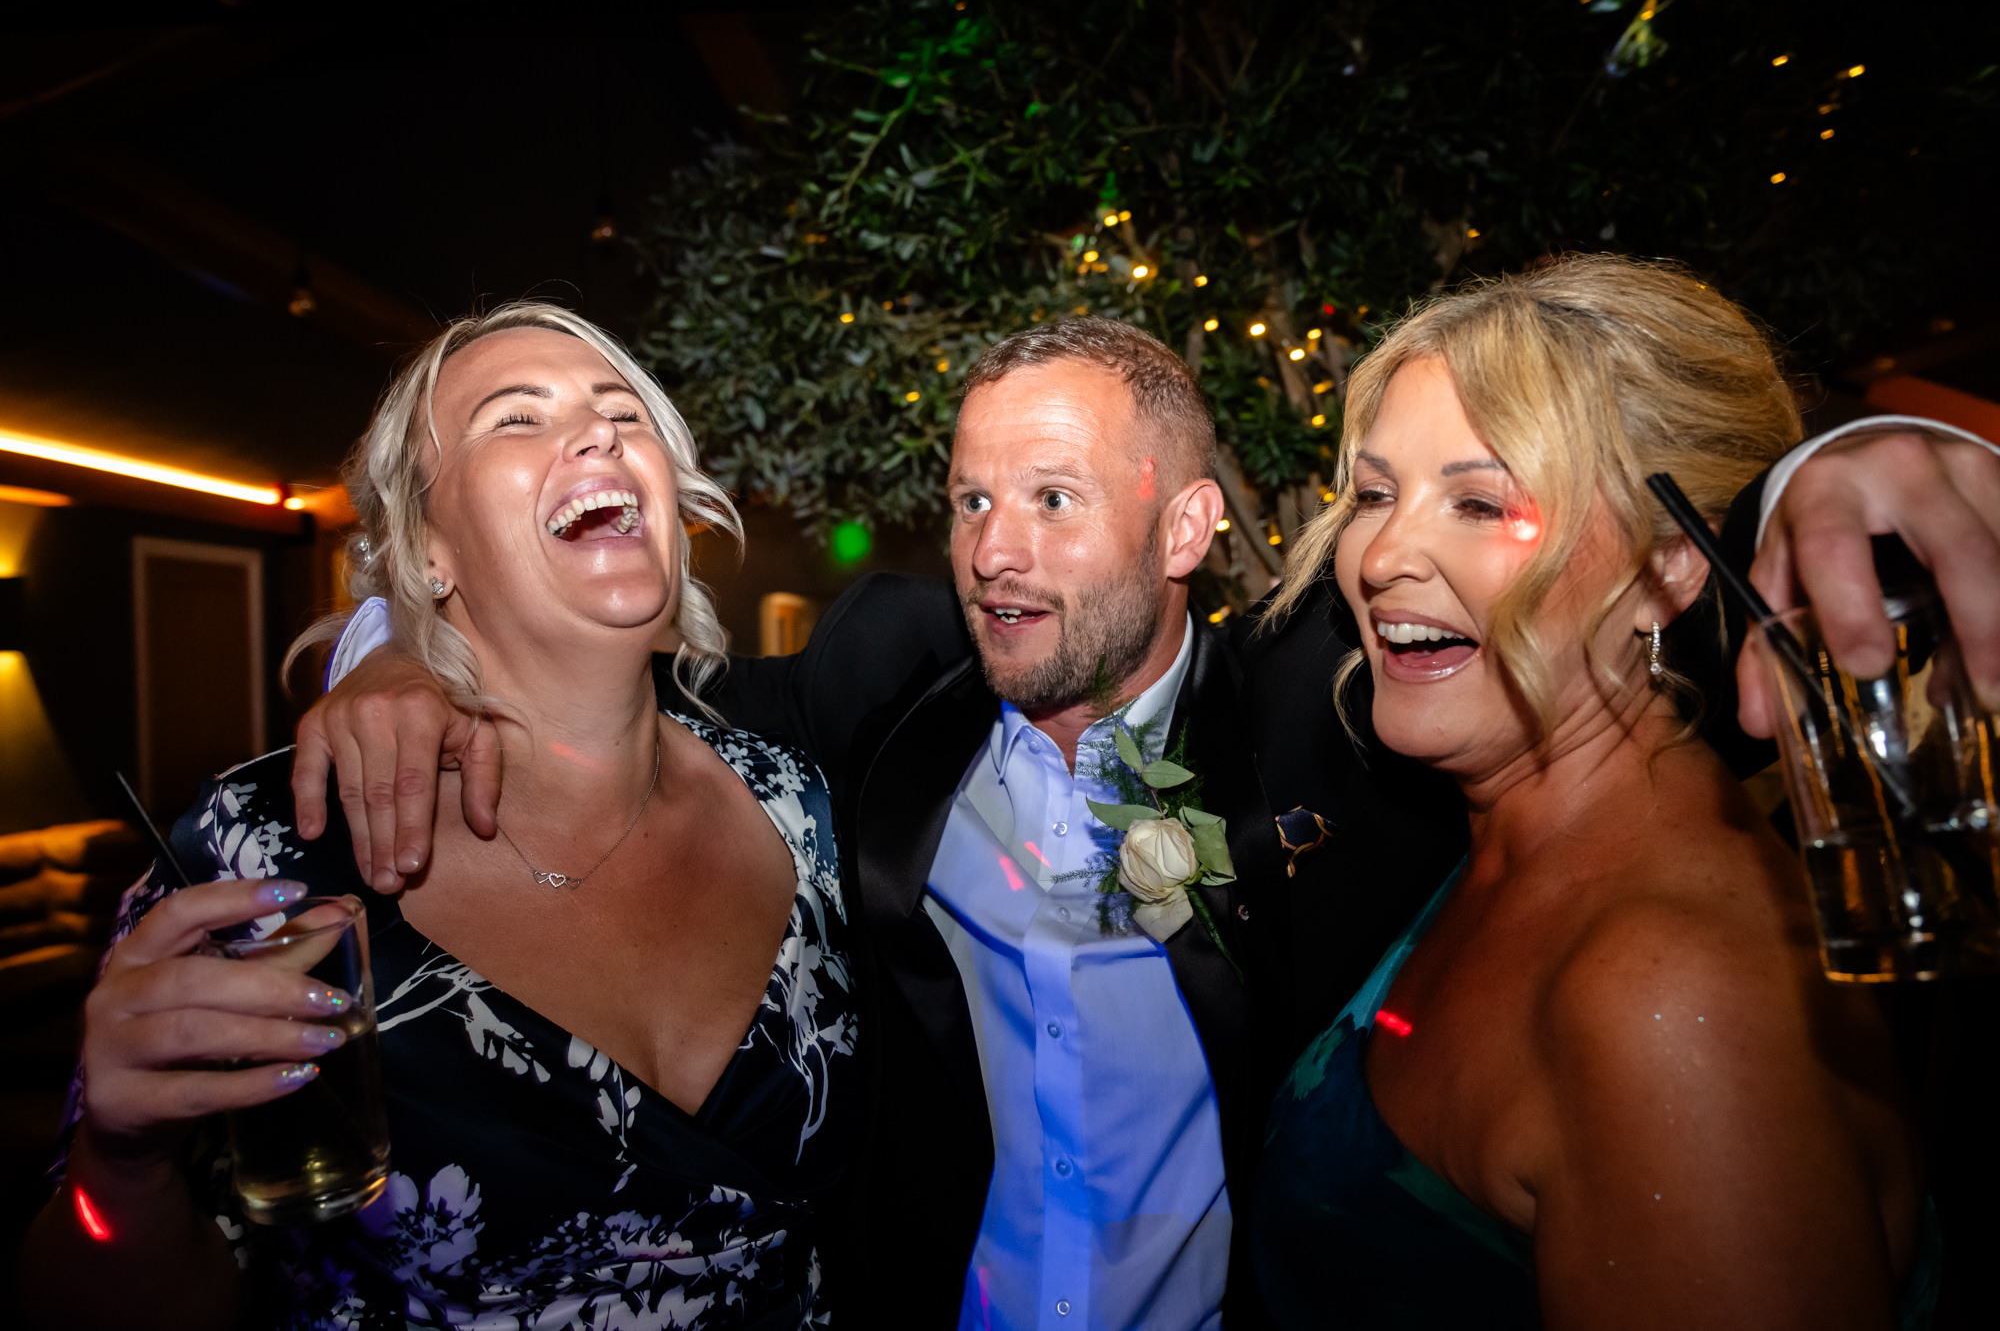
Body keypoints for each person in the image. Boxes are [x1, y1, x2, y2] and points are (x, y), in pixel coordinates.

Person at [296, 307, 2000, 1329]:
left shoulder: (1349, 692)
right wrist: (395, 649)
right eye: (970, 494)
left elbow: (1603, 555)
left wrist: (1860, 454)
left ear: (1187, 523)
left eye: (1051, 495)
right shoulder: (892, 681)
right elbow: (615, 707)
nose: (992, 543)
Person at [21, 303, 859, 1330]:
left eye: (622, 414)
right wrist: (122, 1169)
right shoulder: (264, 846)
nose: (599, 432)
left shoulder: (795, 800)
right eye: (516, 418)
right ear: (427, 551)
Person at [1252, 255, 1937, 1328]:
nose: (1380, 553)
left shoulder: (1666, 1001)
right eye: (1375, 493)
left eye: (1480, 502)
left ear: (1669, 566)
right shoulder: (1497, 831)